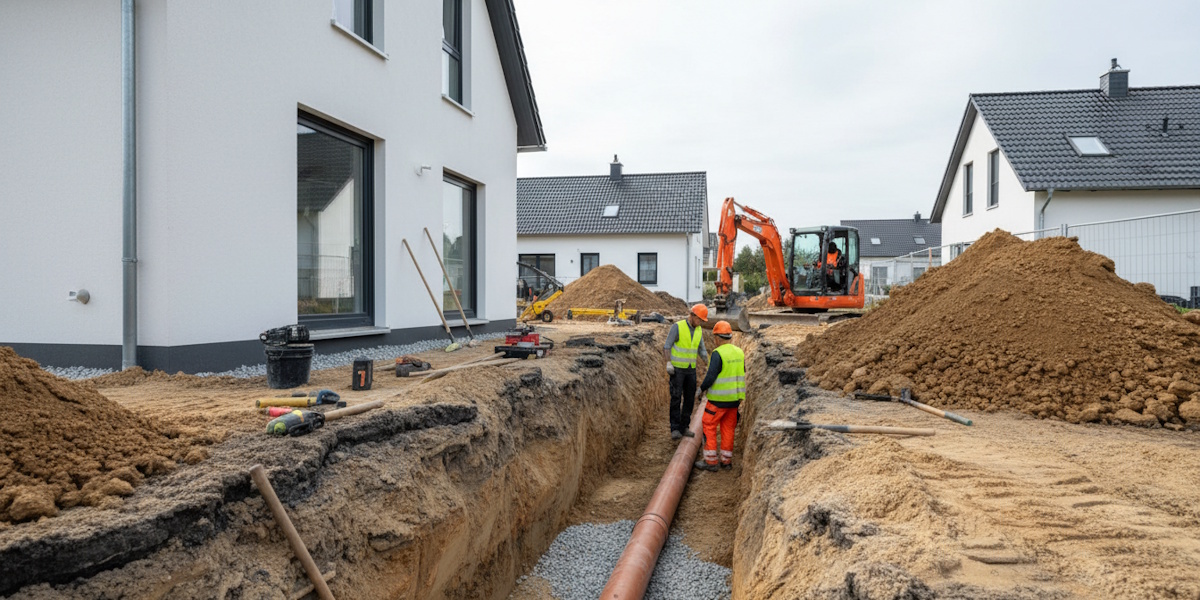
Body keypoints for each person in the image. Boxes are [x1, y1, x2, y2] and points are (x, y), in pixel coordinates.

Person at [694, 320, 745, 471]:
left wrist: (701, 389)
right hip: (735, 400)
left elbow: (710, 376)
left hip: (718, 400)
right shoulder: (739, 352)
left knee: (709, 426)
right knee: (728, 429)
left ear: (717, 338)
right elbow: (742, 371)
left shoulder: (718, 353)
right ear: (730, 336)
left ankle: (710, 462)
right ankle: (726, 461)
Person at [663, 304, 709, 440]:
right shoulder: (677, 327)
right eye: (699, 319)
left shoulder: (699, 330)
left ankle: (684, 427)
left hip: (691, 370)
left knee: (689, 399)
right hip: (677, 370)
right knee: (676, 398)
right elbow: (667, 346)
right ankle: (675, 428)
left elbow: (702, 350)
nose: (700, 322)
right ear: (692, 315)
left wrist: (709, 363)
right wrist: (668, 363)